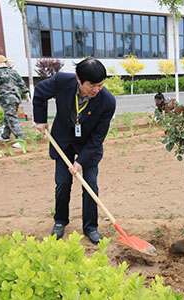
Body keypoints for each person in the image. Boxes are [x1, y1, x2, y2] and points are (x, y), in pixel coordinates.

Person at [33, 58, 116, 245]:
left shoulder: (107, 102)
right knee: (62, 182)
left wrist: (81, 162)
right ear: (79, 80)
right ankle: (60, 221)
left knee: (90, 184)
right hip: (63, 140)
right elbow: (39, 92)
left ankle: (91, 227)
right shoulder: (62, 81)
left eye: (101, 85)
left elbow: (97, 138)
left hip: (89, 146)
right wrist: (40, 120)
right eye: (92, 85)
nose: (96, 90)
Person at [0, 55, 30, 147]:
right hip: (16, 98)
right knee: (8, 117)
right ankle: (5, 135)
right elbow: (22, 83)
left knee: (12, 118)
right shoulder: (13, 72)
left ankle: (21, 139)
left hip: (6, 99)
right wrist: (27, 95)